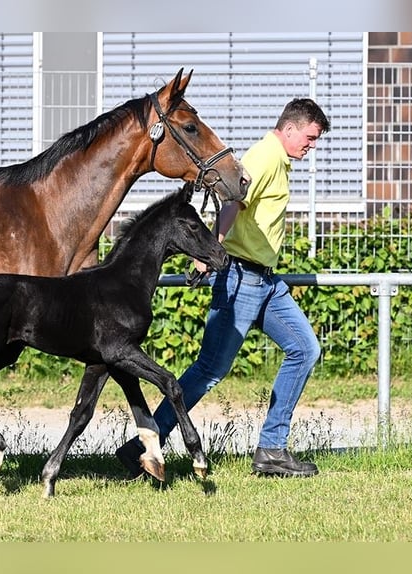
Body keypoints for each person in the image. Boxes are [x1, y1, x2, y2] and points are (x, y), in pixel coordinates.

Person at [116, 97, 331, 478]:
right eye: (310, 138)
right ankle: (144, 445)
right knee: (210, 369)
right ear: (291, 127)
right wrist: (209, 251)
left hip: (266, 282)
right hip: (241, 278)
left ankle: (271, 450)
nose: (311, 146)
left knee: (305, 349)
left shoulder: (279, 162)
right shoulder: (265, 157)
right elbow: (231, 201)